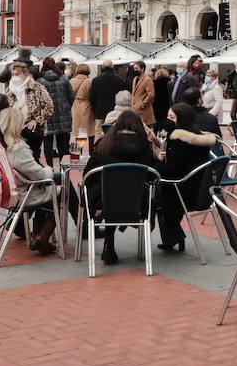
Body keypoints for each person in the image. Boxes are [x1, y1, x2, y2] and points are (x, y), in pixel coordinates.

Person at [83, 111, 161, 265]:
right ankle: (112, 242)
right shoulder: (145, 148)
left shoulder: (104, 145)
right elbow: (153, 177)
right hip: (137, 201)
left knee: (109, 192)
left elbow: (88, 174)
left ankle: (108, 242)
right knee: (128, 192)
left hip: (104, 201)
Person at [0, 102, 57, 255]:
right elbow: (41, 176)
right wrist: (49, 169)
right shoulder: (17, 149)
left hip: (5, 193)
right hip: (22, 195)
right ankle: (42, 237)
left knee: (52, 186)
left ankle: (37, 235)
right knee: (61, 191)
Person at [158, 102, 218, 252]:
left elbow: (172, 170)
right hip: (201, 188)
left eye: (171, 117)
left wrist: (154, 164)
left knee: (156, 193)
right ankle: (173, 236)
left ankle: (173, 236)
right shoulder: (197, 134)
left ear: (181, 119)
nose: (168, 120)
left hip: (184, 190)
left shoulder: (179, 139)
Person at [88, 59, 126, 124]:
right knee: (113, 130)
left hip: (100, 111)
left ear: (102, 67)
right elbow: (123, 96)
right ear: (112, 67)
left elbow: (92, 97)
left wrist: (94, 110)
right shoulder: (120, 80)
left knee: (98, 131)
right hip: (114, 112)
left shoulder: (96, 80)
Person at [70, 62, 95, 143]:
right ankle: (88, 151)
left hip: (75, 106)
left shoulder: (71, 81)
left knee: (77, 131)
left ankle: (77, 151)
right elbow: (91, 95)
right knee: (87, 131)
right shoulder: (89, 81)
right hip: (86, 106)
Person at [130, 60, 155, 125]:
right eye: (134, 68)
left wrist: (143, 104)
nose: (134, 70)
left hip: (144, 110)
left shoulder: (147, 79)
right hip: (134, 109)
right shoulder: (135, 79)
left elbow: (151, 94)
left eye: (136, 68)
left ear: (142, 69)